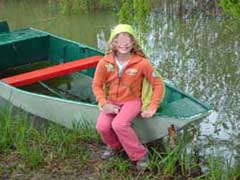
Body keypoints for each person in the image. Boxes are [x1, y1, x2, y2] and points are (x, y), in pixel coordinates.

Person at [92, 24, 164, 170]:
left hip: (132, 101)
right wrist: (104, 103)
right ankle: (115, 146)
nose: (123, 45)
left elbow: (158, 84)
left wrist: (153, 106)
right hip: (111, 101)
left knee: (119, 124)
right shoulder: (104, 63)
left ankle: (140, 155)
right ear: (113, 43)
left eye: (127, 41)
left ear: (133, 43)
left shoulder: (142, 63)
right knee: (102, 126)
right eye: (119, 41)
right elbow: (96, 85)